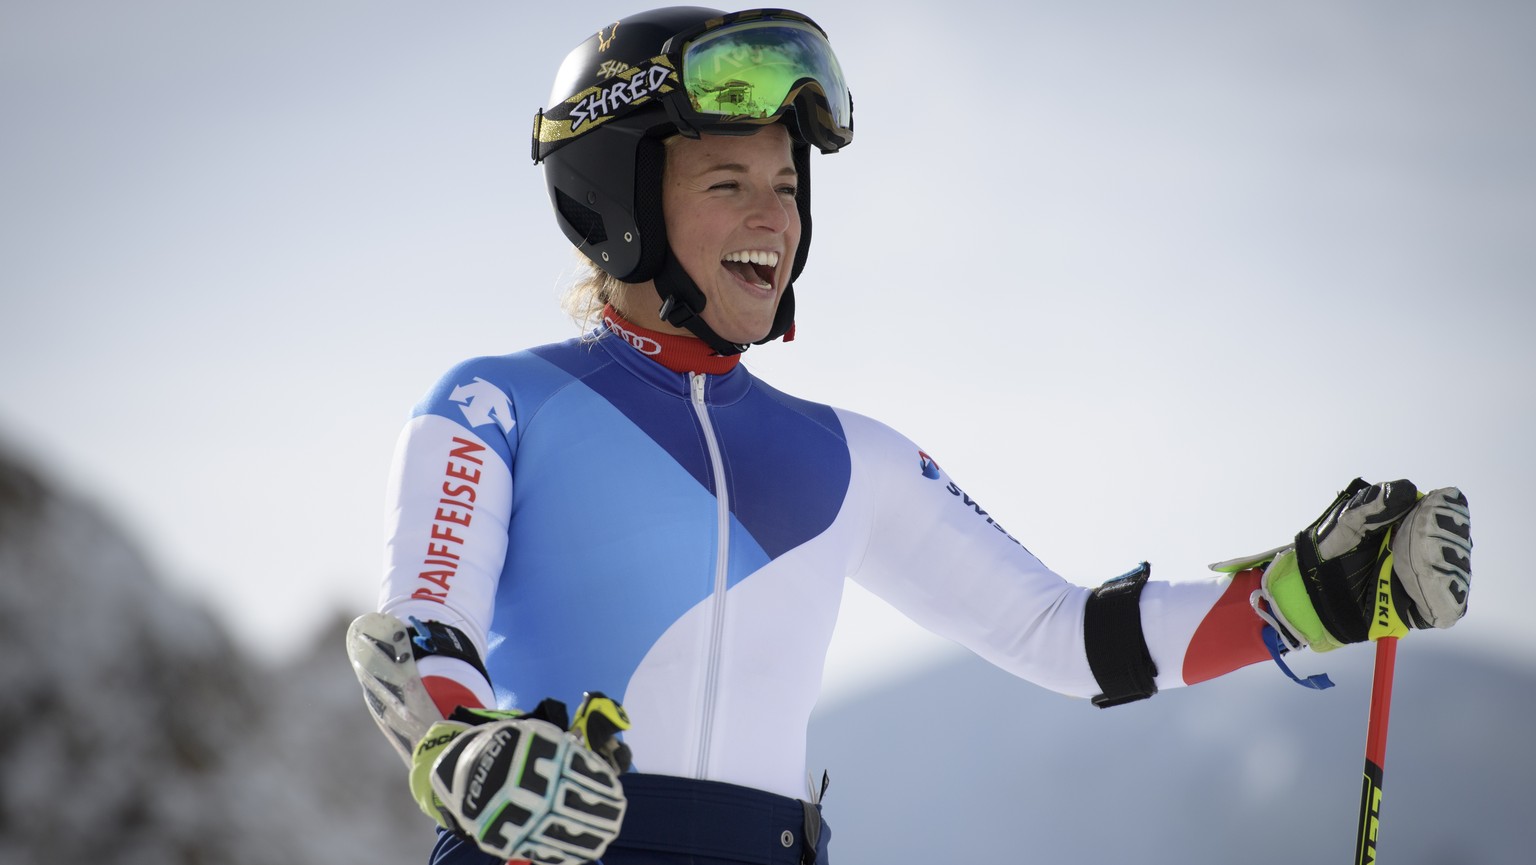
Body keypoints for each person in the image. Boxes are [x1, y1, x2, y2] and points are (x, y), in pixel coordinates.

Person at [346, 8, 1474, 865]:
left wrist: (1313, 594)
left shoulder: (850, 457)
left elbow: (1063, 634)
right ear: (620, 203)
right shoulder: (497, 404)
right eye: (729, 182)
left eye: (786, 185)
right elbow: (420, 633)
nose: (774, 218)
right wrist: (468, 746)